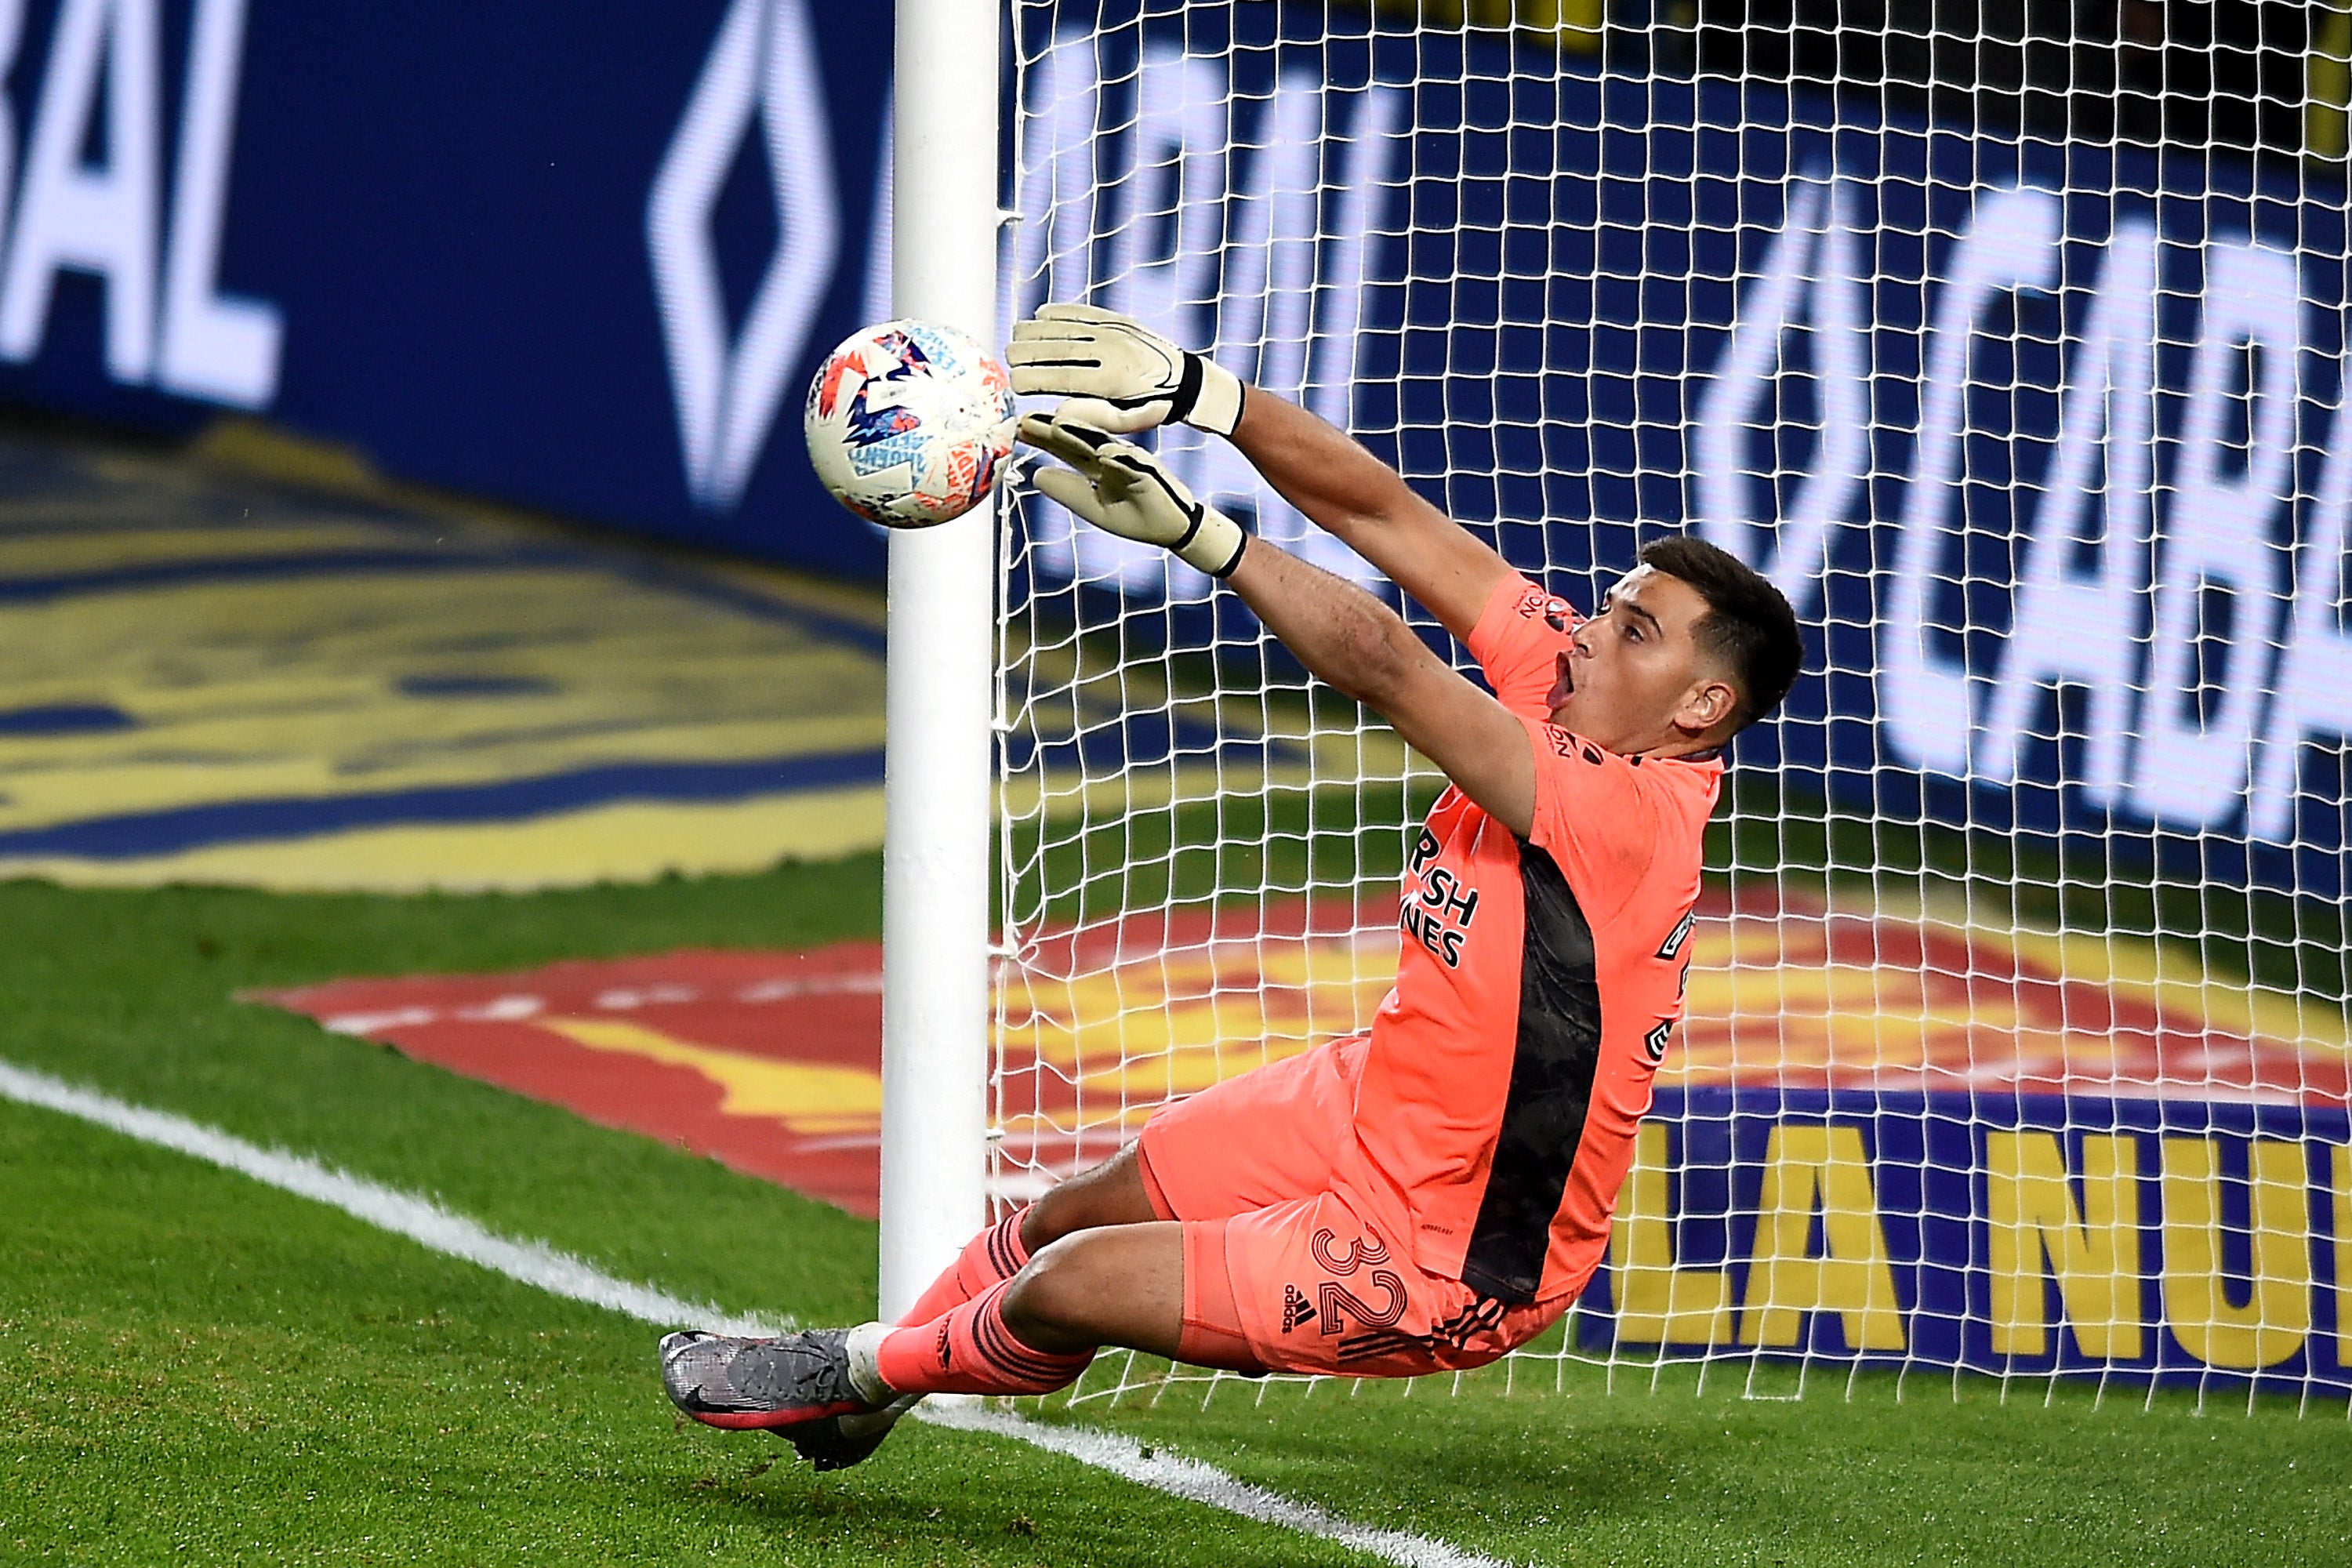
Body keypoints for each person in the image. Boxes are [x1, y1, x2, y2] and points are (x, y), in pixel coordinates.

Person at [659, 303, 1805, 1470]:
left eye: (1636, 631)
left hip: (1443, 1250)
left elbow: (1390, 670)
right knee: (1060, 1217)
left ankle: (845, 1369)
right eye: (1610, 607)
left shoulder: (1628, 817)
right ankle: (868, 1399)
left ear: (1700, 710)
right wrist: (1206, 395)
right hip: (1374, 1099)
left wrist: (1209, 538)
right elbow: (1383, 512)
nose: (1588, 632)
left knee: (1071, 1285)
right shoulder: (1569, 677)